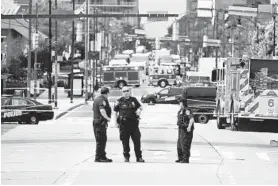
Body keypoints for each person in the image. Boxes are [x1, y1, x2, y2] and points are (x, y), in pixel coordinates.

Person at [114, 86, 145, 163]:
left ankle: (139, 157)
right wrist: (115, 122)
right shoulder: (119, 101)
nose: (126, 92)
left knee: (137, 141)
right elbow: (115, 112)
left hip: (133, 124)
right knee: (125, 142)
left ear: (129, 91)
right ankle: (126, 157)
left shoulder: (133, 100)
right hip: (123, 125)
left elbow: (141, 107)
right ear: (122, 92)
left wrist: (139, 110)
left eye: (127, 91)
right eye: (124, 91)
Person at [92, 87, 112, 163]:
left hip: (98, 122)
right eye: (108, 93)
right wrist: (107, 118)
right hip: (100, 123)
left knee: (103, 139)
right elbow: (102, 110)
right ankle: (98, 157)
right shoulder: (102, 100)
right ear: (106, 93)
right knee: (100, 140)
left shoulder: (97, 99)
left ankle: (102, 156)